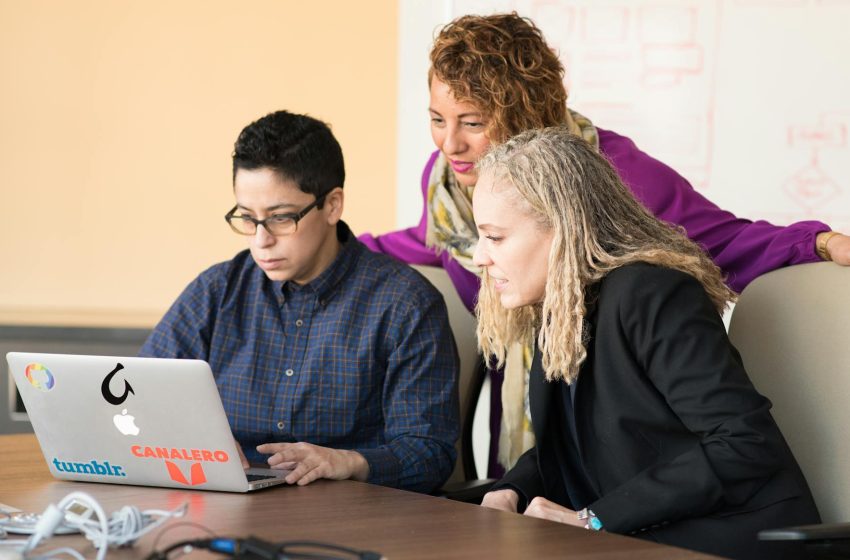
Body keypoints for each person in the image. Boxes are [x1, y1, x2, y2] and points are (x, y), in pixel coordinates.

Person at [358, 12, 850, 475]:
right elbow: (433, 243)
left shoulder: (617, 174)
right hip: (531, 431)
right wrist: (336, 246)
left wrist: (822, 244)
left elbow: (724, 241)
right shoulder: (448, 181)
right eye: (437, 119)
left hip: (619, 432)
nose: (449, 144)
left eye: (472, 122)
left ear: (524, 114)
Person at [473, 127, 820, 560]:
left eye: (496, 236)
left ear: (562, 228)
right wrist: (510, 490)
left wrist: (593, 520)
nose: (478, 256)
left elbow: (744, 442)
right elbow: (574, 446)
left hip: (728, 538)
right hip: (637, 536)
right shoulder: (559, 304)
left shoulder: (654, 293)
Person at [140, 110, 459, 493]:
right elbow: (142, 396)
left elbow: (429, 454)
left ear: (332, 205)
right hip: (224, 510)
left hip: (350, 521)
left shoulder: (405, 305)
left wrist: (347, 461)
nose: (261, 240)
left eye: (280, 218)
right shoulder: (217, 291)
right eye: (247, 218)